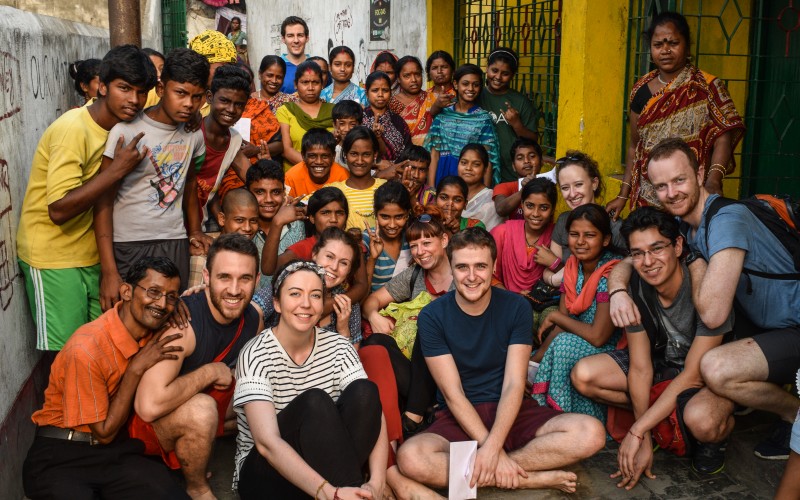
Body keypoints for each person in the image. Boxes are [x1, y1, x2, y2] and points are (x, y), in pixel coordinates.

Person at [608, 137, 800, 460]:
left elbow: (712, 314)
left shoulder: (727, 219)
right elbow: (631, 251)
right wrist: (616, 289)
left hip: (792, 327)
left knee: (715, 367)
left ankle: (794, 415)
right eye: (661, 186)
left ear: (699, 174)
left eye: (679, 180)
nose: (671, 193)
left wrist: (695, 260)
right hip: (762, 330)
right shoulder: (685, 223)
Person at [395, 227, 605, 497]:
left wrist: (492, 450)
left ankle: (489, 472)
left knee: (590, 433)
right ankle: (528, 478)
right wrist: (492, 448)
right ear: (452, 266)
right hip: (458, 415)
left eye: (481, 266)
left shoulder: (516, 307)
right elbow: (453, 393)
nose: (471, 277)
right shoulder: (432, 316)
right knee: (411, 458)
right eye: (462, 267)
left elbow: (514, 384)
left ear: (494, 266)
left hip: (511, 410)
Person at [573, 207, 735, 486]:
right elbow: (639, 367)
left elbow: (693, 375)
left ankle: (716, 437)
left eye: (657, 248)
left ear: (678, 246)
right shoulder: (636, 287)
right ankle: (662, 423)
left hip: (708, 376)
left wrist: (636, 430)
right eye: (638, 253)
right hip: (665, 368)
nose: (648, 261)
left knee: (703, 421)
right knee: (584, 375)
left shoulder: (705, 287)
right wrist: (645, 437)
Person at [17, 45, 157, 350]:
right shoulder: (73, 129)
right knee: (66, 355)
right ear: (102, 87)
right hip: (51, 256)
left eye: (141, 91)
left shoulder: (123, 127)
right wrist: (116, 170)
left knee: (98, 348)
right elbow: (58, 209)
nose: (134, 100)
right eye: (124, 88)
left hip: (89, 253)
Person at [22, 257, 187, 500]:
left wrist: (182, 303)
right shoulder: (87, 349)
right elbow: (104, 431)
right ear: (126, 292)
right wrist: (135, 370)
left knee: (171, 494)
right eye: (153, 292)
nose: (162, 304)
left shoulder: (154, 326)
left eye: (171, 296)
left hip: (112, 452)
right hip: (60, 455)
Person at [233, 261, 388, 499]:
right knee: (315, 401)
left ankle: (348, 491)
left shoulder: (339, 346)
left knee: (365, 391)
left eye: (315, 295)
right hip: (265, 474)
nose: (306, 304)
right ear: (277, 303)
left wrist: (377, 482)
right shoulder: (256, 353)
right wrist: (331, 493)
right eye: (295, 294)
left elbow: (374, 412)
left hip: (325, 468)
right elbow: (266, 444)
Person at [130, 234, 264, 499]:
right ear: (206, 276)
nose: (235, 289)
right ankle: (197, 487)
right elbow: (148, 406)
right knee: (202, 411)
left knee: (267, 397)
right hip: (150, 430)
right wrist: (210, 371)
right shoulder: (183, 326)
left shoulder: (254, 317)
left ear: (257, 281)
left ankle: (197, 445)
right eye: (224, 277)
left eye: (245, 278)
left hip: (208, 409)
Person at [95, 48, 209, 304]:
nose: (189, 104)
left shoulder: (194, 134)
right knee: (129, 318)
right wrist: (109, 271)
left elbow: (189, 184)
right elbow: (103, 203)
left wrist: (194, 231)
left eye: (197, 97)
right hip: (129, 243)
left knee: (169, 317)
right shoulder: (126, 131)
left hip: (174, 241)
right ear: (160, 89)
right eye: (180, 93)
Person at [605, 11, 744, 215]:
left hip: (691, 193)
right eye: (658, 44)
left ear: (687, 47)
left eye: (673, 43)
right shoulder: (640, 90)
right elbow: (635, 147)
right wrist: (623, 196)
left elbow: (723, 135)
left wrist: (714, 180)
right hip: (649, 196)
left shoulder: (706, 86)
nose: (665, 50)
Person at [362, 210, 453, 434]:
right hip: (415, 365)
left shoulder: (463, 274)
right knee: (375, 342)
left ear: (444, 240)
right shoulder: (414, 274)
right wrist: (374, 315)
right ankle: (422, 408)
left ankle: (413, 414)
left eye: (427, 243)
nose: (420, 252)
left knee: (429, 322)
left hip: (450, 363)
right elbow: (371, 301)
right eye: (413, 245)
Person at [531, 204, 623, 422]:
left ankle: (561, 417)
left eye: (590, 235)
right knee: (545, 350)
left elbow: (598, 337)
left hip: (607, 350)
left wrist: (555, 318)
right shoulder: (573, 267)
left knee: (563, 344)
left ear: (606, 239)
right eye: (574, 235)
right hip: (574, 340)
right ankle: (545, 413)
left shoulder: (610, 273)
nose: (580, 241)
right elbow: (564, 322)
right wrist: (533, 363)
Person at [536, 151, 627, 289]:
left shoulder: (613, 225)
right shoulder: (563, 220)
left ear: (594, 183)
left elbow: (621, 272)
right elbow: (549, 267)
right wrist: (553, 275)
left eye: (578, 185)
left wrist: (554, 278)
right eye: (565, 188)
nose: (572, 194)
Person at [195, 65, 251, 230]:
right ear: (210, 97)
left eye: (239, 104)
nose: (231, 110)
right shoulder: (191, 131)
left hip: (200, 225)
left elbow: (252, 178)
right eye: (225, 101)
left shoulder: (234, 139)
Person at [425, 64, 500, 186]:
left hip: (469, 178)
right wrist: (431, 188)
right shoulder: (443, 115)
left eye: (476, 85)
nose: (471, 88)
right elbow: (434, 154)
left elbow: (488, 160)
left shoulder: (483, 119)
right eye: (465, 84)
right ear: (455, 84)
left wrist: (485, 195)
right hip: (442, 174)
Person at [478, 47, 540, 183]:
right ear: (487, 68)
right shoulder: (476, 95)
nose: (498, 77)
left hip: (510, 173)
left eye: (505, 73)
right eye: (494, 70)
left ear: (512, 75)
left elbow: (533, 139)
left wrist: (517, 124)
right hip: (480, 171)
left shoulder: (520, 101)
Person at [491, 178, 556, 293]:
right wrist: (514, 300)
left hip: (543, 305)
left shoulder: (557, 236)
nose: (536, 214)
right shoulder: (502, 233)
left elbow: (570, 277)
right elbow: (488, 275)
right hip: (504, 301)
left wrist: (554, 263)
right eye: (530, 206)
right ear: (521, 205)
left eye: (544, 208)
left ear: (552, 210)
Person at [244, 159, 306, 278]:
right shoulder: (242, 225)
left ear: (284, 192)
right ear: (247, 192)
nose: (269, 199)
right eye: (260, 192)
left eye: (276, 192)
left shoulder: (297, 221)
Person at [188, 188, 260, 288]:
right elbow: (193, 300)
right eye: (239, 220)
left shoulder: (254, 249)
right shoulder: (203, 252)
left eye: (253, 221)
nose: (247, 228)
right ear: (222, 219)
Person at [276, 61, 334, 169]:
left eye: (315, 82)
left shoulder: (334, 111)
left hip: (329, 174)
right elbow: (286, 150)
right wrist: (316, 165)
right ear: (295, 84)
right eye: (305, 82)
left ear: (322, 84)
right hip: (295, 175)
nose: (310, 87)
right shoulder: (285, 111)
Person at [329, 126, 386, 230]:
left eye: (366, 154)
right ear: (345, 154)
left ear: (375, 155)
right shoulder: (334, 191)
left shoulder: (386, 188)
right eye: (354, 154)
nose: (359, 161)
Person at [363, 180, 413, 291]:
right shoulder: (366, 240)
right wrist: (372, 259)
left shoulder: (412, 239)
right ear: (375, 214)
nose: (392, 225)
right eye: (385, 217)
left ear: (407, 214)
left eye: (399, 217)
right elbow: (362, 293)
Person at [363, 71, 411, 169]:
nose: (380, 94)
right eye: (375, 90)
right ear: (366, 93)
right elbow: (350, 153)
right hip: (365, 175)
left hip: (396, 175)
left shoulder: (399, 122)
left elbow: (408, 152)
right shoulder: (359, 119)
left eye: (385, 90)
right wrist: (376, 163)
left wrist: (393, 168)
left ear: (391, 92)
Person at [284, 128, 349, 198]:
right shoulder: (291, 178)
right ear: (303, 156)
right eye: (312, 156)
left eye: (325, 156)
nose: (319, 162)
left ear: (333, 156)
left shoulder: (343, 176)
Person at [188, 30, 238, 117]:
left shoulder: (231, 100)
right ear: (200, 67)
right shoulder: (167, 93)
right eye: (220, 68)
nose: (226, 73)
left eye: (230, 67)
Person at [493, 137, 544, 220]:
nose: (526, 161)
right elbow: (501, 210)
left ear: (541, 161)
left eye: (532, 156)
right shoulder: (503, 187)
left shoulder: (549, 185)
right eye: (520, 158)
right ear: (513, 166)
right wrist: (524, 189)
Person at [458, 144, 504, 231]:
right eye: (464, 163)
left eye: (476, 164)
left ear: (485, 169)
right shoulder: (450, 195)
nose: (468, 168)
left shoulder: (491, 201)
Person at [389, 56, 432, 146]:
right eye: (407, 76)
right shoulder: (391, 104)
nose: (413, 80)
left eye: (417, 74)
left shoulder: (432, 99)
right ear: (399, 79)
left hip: (429, 155)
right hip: (401, 156)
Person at [396, 145, 435, 209]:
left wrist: (412, 196)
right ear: (402, 167)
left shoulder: (431, 195)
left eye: (422, 170)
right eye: (412, 168)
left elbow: (426, 218)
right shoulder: (390, 190)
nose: (416, 175)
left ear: (427, 172)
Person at [279, 16, 310, 94]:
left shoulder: (318, 66)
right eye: (290, 36)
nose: (296, 40)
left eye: (300, 35)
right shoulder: (275, 67)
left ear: (307, 38)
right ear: (283, 39)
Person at [331, 99, 364, 166]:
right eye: (342, 124)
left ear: (360, 125)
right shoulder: (331, 146)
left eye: (352, 124)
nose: (347, 129)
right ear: (334, 124)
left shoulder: (364, 146)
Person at [424, 50, 456, 115]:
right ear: (429, 72)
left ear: (452, 70)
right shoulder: (424, 96)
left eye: (444, 67)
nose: (439, 71)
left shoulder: (460, 94)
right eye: (434, 68)